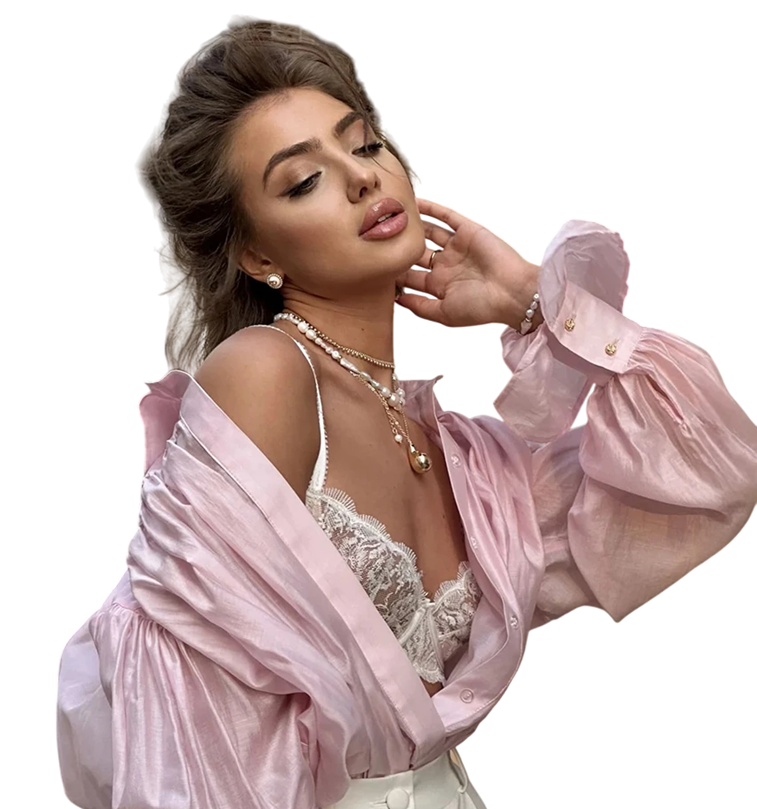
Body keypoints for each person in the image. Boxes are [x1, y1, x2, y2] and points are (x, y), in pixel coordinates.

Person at [55, 17, 757, 809]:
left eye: (364, 144)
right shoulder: (266, 374)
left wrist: (532, 300)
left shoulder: (469, 462)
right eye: (303, 180)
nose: (362, 177)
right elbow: (191, 735)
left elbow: (711, 473)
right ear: (259, 256)